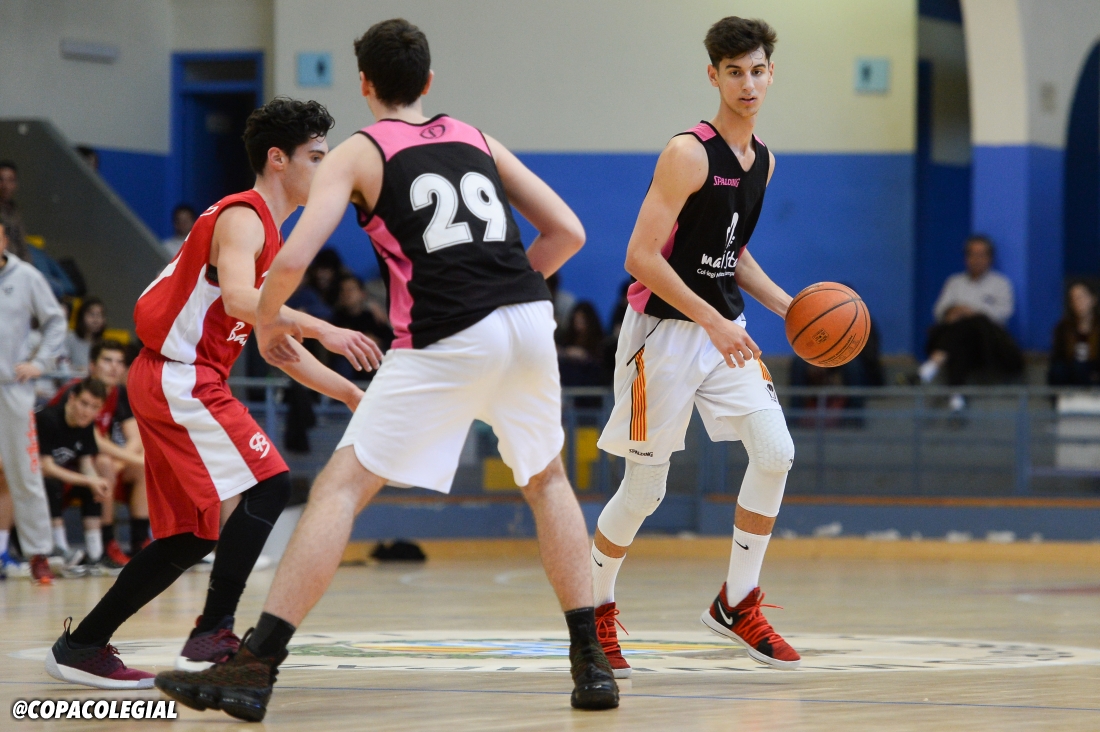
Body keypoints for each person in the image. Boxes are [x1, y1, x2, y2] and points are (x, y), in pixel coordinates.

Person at [154, 19, 618, 720]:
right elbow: (569, 232)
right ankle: (591, 665)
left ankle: (256, 666)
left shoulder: (359, 152)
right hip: (528, 320)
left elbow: (292, 260)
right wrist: (504, 290)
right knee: (547, 480)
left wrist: (270, 319)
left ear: (365, 84)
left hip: (446, 331)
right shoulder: (477, 138)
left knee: (339, 489)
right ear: (428, 81)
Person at [44, 97, 380, 690]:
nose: (326, 168)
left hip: (176, 378)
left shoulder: (270, 234)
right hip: (179, 376)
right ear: (278, 159)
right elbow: (242, 302)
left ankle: (83, 645)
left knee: (190, 535)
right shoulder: (245, 217)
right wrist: (323, 326)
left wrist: (350, 394)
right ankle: (214, 629)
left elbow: (276, 345)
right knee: (270, 482)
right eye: (316, 156)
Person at [590, 17, 801, 679]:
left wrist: (788, 307)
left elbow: (731, 253)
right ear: (713, 75)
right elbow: (640, 257)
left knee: (776, 452)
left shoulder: (763, 160)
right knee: (644, 491)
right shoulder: (687, 153)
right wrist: (712, 321)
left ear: (772, 73)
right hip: (662, 336)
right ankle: (593, 610)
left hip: (721, 331)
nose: (748, 83)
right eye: (734, 72)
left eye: (757, 70)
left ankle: (736, 602)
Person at [0, 216, 68, 584]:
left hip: (13, 388)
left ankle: (39, 553)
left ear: (4, 239)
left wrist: (40, 363)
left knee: (25, 473)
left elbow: (56, 321)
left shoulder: (26, 277)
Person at [49, 340, 147, 568]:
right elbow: (94, 440)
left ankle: (141, 542)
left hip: (92, 463)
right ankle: (106, 542)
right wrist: (130, 459)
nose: (114, 367)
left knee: (139, 468)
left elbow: (136, 437)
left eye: (119, 362)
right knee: (107, 462)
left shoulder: (119, 392)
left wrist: (123, 463)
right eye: (107, 360)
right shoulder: (78, 391)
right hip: (62, 463)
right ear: (92, 365)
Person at [920, 235, 1023, 408]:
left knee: (974, 322)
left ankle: (934, 363)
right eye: (972, 255)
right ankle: (956, 396)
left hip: (987, 343)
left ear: (990, 258)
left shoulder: (1001, 284)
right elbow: (939, 310)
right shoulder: (954, 282)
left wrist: (970, 311)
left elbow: (1003, 314)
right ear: (965, 258)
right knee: (960, 337)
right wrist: (953, 312)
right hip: (962, 343)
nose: (976, 260)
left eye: (981, 255)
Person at [37, 377, 112, 577]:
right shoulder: (48, 419)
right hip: (36, 481)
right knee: (51, 483)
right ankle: (60, 551)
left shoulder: (86, 424)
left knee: (93, 487)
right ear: (71, 398)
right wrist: (89, 480)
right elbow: (46, 467)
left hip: (62, 479)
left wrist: (96, 482)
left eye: (94, 407)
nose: (87, 412)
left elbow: (87, 465)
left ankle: (95, 555)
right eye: (84, 404)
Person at [1048, 280, 1100, 386]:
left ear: (1093, 299)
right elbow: (1057, 356)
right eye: (1074, 299)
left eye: (1082, 297)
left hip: (1094, 371)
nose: (1078, 302)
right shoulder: (1063, 327)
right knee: (1060, 370)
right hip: (1070, 371)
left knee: (1080, 367)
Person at [558, 301, 609, 386]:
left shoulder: (601, 341)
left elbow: (604, 367)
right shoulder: (567, 338)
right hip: (569, 384)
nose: (579, 325)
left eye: (582, 320)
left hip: (593, 385)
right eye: (576, 320)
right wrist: (565, 352)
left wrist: (586, 356)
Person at [64, 297, 107, 372]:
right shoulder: (69, 338)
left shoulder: (103, 344)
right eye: (92, 315)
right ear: (82, 317)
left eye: (100, 315)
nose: (96, 320)